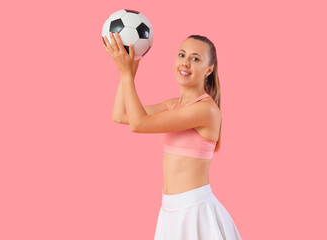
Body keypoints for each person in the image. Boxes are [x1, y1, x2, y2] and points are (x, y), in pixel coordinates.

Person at [103, 32, 242, 240]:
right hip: (169, 209)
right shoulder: (173, 106)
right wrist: (129, 73)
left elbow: (139, 124)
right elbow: (121, 115)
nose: (185, 63)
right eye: (181, 55)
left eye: (195, 58)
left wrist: (125, 75)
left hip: (194, 211)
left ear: (209, 69)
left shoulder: (206, 110)